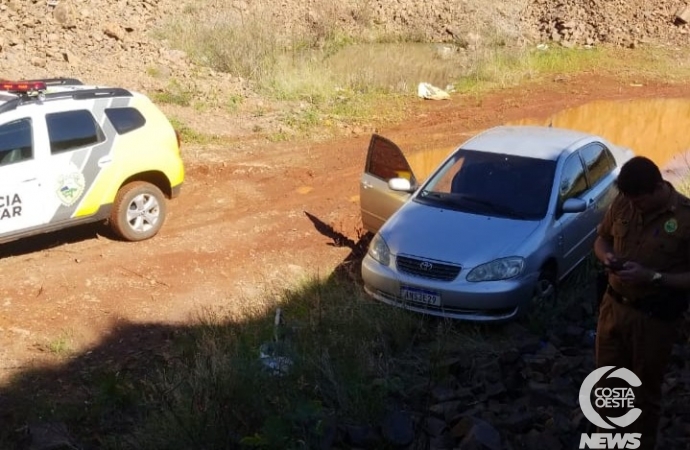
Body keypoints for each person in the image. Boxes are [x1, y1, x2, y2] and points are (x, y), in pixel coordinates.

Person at [593, 156, 690, 449]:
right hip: (613, 309)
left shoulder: (686, 218)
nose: (634, 207)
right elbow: (601, 240)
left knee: (644, 393)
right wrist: (607, 258)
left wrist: (653, 276)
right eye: (630, 200)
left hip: (654, 320)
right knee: (608, 385)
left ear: (658, 187)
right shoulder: (623, 202)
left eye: (640, 202)